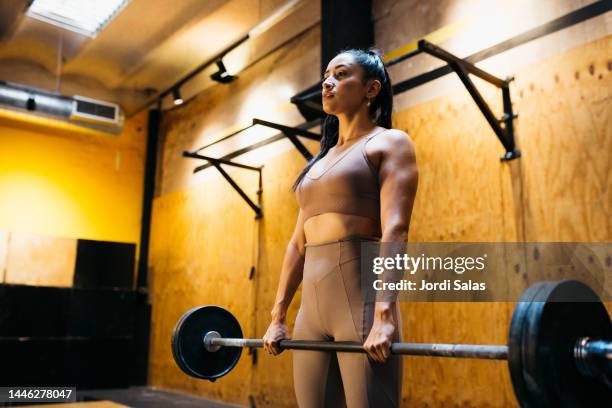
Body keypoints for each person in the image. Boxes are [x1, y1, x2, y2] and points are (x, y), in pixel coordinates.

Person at [263, 48, 419, 408]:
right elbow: (297, 245)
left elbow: (396, 231)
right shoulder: (318, 162)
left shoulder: (389, 142)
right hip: (311, 313)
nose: (328, 82)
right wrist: (278, 317)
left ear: (371, 89)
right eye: (326, 76)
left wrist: (383, 317)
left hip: (360, 303)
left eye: (342, 74)